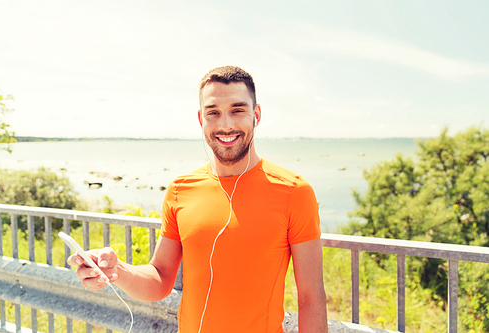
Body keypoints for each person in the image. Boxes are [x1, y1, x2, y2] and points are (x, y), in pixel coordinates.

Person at [68, 66, 328, 333]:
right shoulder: (180, 190)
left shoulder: (294, 191)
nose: (225, 125)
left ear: (256, 115)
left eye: (238, 110)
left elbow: (311, 298)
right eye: (213, 112)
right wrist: (116, 270)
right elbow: (160, 279)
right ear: (200, 118)